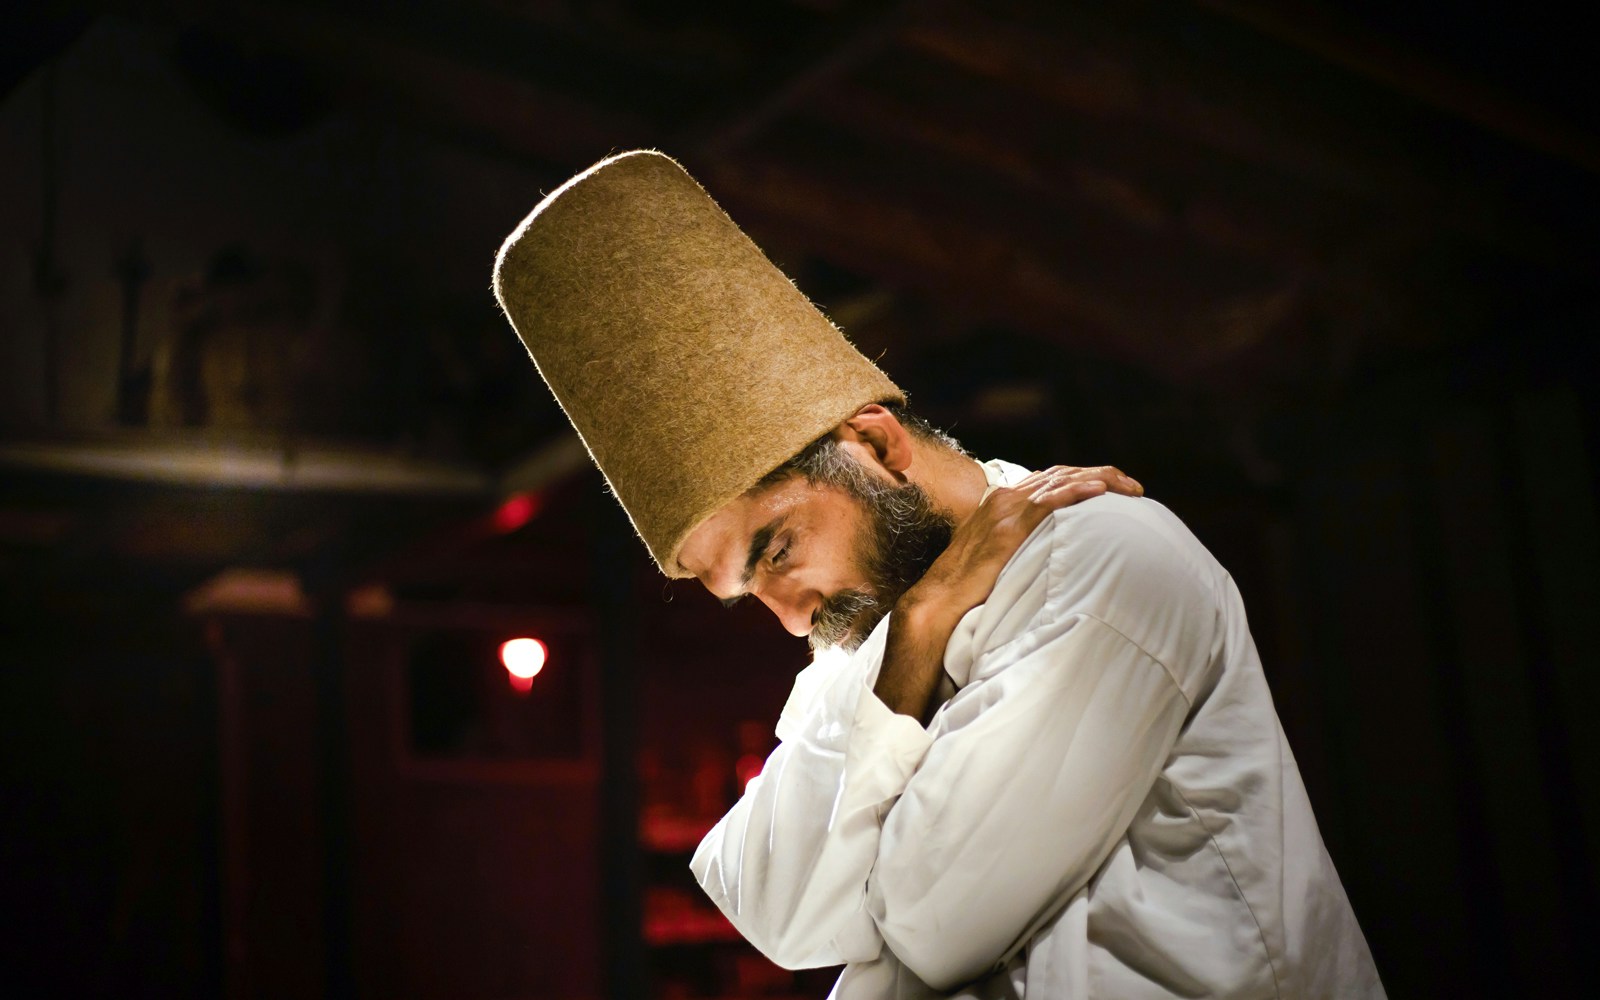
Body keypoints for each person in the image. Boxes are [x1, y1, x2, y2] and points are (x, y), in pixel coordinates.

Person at [494, 150, 1385, 999]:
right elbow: (770, 910)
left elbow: (933, 926)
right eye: (745, 594)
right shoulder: (875, 640)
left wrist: (901, 677)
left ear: (876, 445)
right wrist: (916, 634)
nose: (792, 620)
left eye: (777, 551)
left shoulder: (1103, 557)